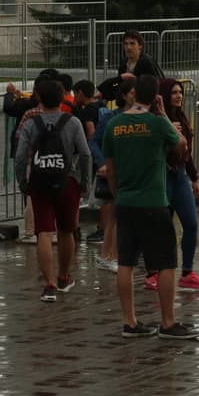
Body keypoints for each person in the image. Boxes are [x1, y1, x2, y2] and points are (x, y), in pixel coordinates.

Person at [103, 74, 198, 339]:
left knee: (126, 263)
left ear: (132, 94)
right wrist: (164, 113)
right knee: (167, 263)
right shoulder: (157, 123)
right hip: (154, 202)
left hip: (125, 202)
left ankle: (130, 322)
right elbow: (181, 144)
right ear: (156, 95)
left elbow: (110, 170)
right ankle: (168, 322)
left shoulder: (115, 125)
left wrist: (117, 194)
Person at [14, 79, 91, 301]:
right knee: (67, 231)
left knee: (44, 232)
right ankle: (64, 276)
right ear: (62, 99)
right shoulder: (73, 122)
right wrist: (84, 182)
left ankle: (48, 284)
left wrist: (23, 182)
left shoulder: (31, 123)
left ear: (38, 98)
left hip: (40, 182)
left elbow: (20, 157)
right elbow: (84, 154)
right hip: (68, 181)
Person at [144, 78, 199, 291]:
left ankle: (187, 271)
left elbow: (186, 152)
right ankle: (155, 271)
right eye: (173, 92)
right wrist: (166, 128)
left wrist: (194, 177)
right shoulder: (155, 119)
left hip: (180, 175)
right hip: (162, 176)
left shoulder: (182, 117)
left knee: (190, 223)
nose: (178, 96)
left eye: (180, 92)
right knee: (162, 227)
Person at [3, 68, 61, 244]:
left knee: (31, 198)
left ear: (38, 93)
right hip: (57, 161)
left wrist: (22, 179)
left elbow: (19, 138)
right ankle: (55, 230)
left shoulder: (29, 113)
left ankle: (31, 232)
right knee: (54, 196)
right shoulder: (65, 116)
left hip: (33, 161)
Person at [88, 77, 133, 268]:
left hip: (132, 171)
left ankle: (108, 254)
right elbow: (94, 141)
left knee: (117, 215)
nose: (136, 96)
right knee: (117, 213)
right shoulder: (111, 117)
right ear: (124, 95)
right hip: (116, 171)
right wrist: (101, 164)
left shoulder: (145, 116)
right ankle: (112, 255)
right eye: (132, 92)